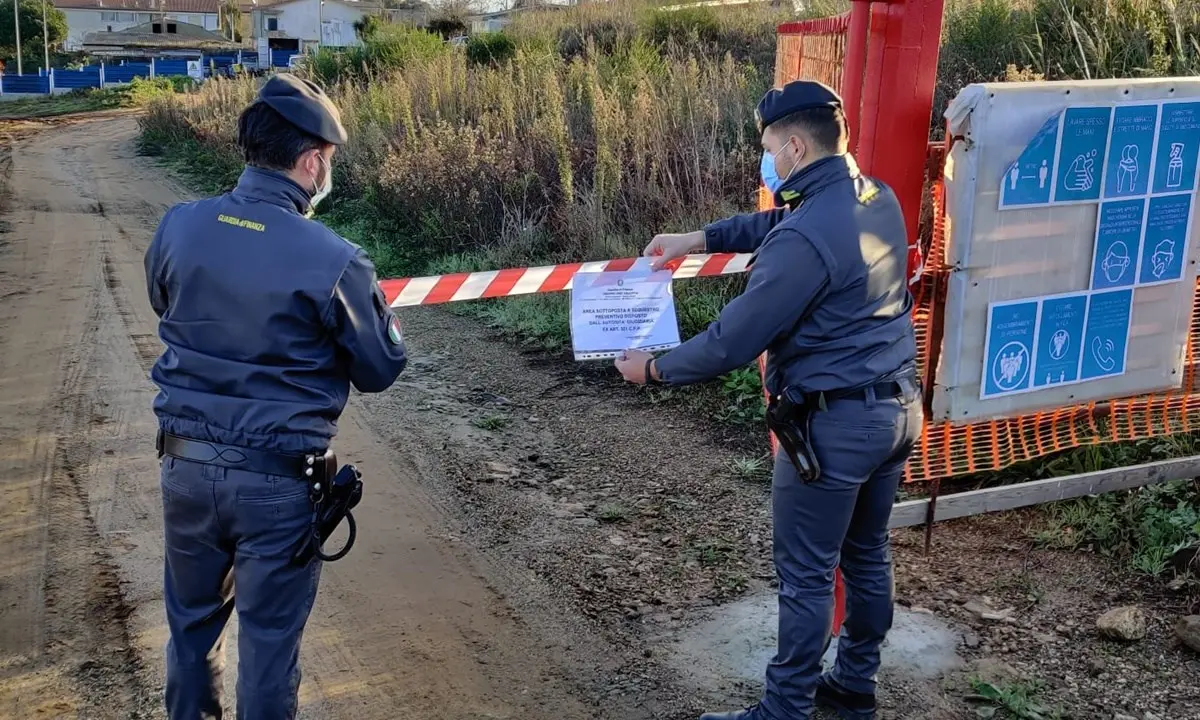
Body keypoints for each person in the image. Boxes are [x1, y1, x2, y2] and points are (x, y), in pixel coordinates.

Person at [614, 80, 922, 720]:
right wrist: (699, 237)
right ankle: (854, 686)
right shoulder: (874, 198)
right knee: (866, 554)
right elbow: (784, 220)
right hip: (896, 411)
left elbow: (733, 339)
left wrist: (655, 369)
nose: (767, 160)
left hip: (832, 426)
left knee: (807, 575)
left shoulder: (806, 240)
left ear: (796, 146)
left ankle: (783, 711)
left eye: (769, 149)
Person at [143, 73, 409, 719]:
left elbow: (162, 301)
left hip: (184, 468)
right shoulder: (336, 258)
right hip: (276, 486)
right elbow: (380, 367)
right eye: (330, 162)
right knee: (267, 644)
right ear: (312, 159)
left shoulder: (179, 225)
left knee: (191, 630)